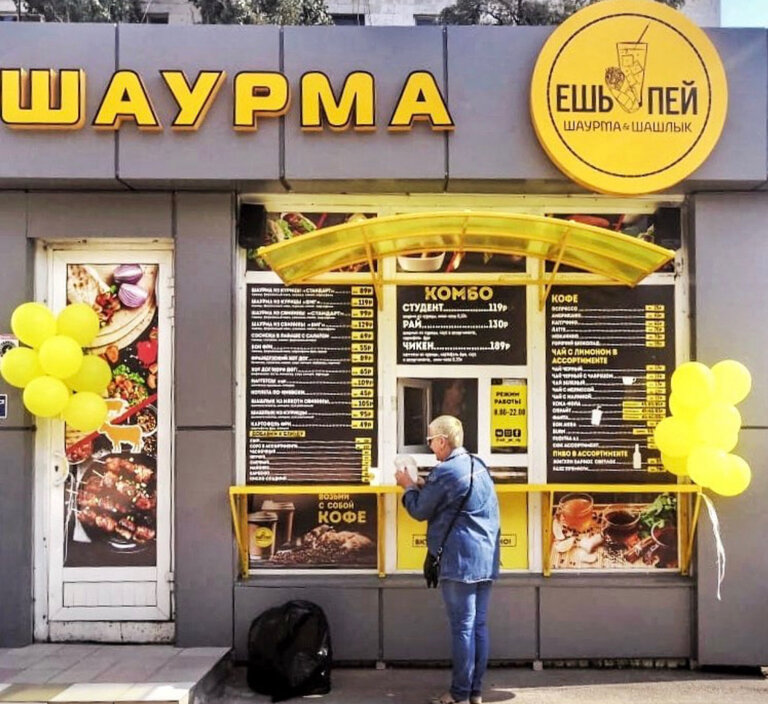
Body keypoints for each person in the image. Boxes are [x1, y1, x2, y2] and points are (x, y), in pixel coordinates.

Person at [394, 415, 501, 704]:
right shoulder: (478, 464)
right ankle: (475, 692)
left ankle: (459, 694)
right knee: (478, 626)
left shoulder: (445, 472)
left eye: (430, 440)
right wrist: (423, 484)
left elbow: (419, 510)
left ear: (442, 441)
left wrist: (407, 486)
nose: (429, 446)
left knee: (463, 627)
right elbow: (453, 496)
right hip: (486, 558)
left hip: (460, 560)